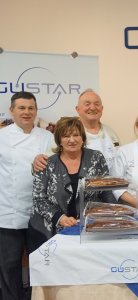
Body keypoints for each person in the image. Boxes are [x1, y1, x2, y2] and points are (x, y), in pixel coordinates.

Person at [28, 117, 116, 253]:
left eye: (76, 135)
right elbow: (39, 199)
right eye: (66, 136)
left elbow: (106, 191)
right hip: (49, 231)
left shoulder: (96, 158)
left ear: (82, 137)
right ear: (59, 140)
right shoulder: (46, 163)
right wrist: (59, 218)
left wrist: (116, 216)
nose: (72, 140)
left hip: (88, 229)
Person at [0, 91, 54, 300]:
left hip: (39, 214)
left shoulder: (47, 137)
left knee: (40, 264)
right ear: (12, 111)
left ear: (36, 111)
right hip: (7, 211)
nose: (27, 112)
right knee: (9, 266)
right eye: (21, 108)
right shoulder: (2, 137)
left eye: (31, 108)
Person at [33, 89, 120, 174]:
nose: (93, 107)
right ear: (78, 109)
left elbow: (120, 161)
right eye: (87, 104)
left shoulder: (110, 132)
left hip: (111, 185)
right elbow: (48, 159)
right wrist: (38, 162)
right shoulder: (66, 133)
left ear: (102, 108)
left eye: (97, 104)